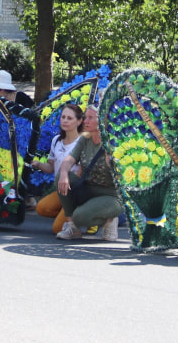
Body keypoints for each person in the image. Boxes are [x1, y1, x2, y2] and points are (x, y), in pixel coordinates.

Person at [54, 104, 123, 241]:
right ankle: (72, 227)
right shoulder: (85, 138)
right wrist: (63, 174)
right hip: (87, 189)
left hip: (111, 195)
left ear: (102, 120)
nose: (85, 121)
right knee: (61, 176)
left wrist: (113, 164)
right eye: (86, 117)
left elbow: (124, 176)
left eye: (90, 118)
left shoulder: (113, 142)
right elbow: (69, 160)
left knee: (80, 216)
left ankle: (109, 220)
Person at [35, 103, 86, 232]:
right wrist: (38, 164)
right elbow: (51, 168)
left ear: (79, 121)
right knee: (41, 208)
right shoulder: (56, 140)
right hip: (60, 190)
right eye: (63, 117)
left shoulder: (83, 142)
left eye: (69, 118)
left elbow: (81, 174)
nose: (65, 120)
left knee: (57, 228)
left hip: (75, 191)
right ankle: (72, 216)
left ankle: (84, 217)